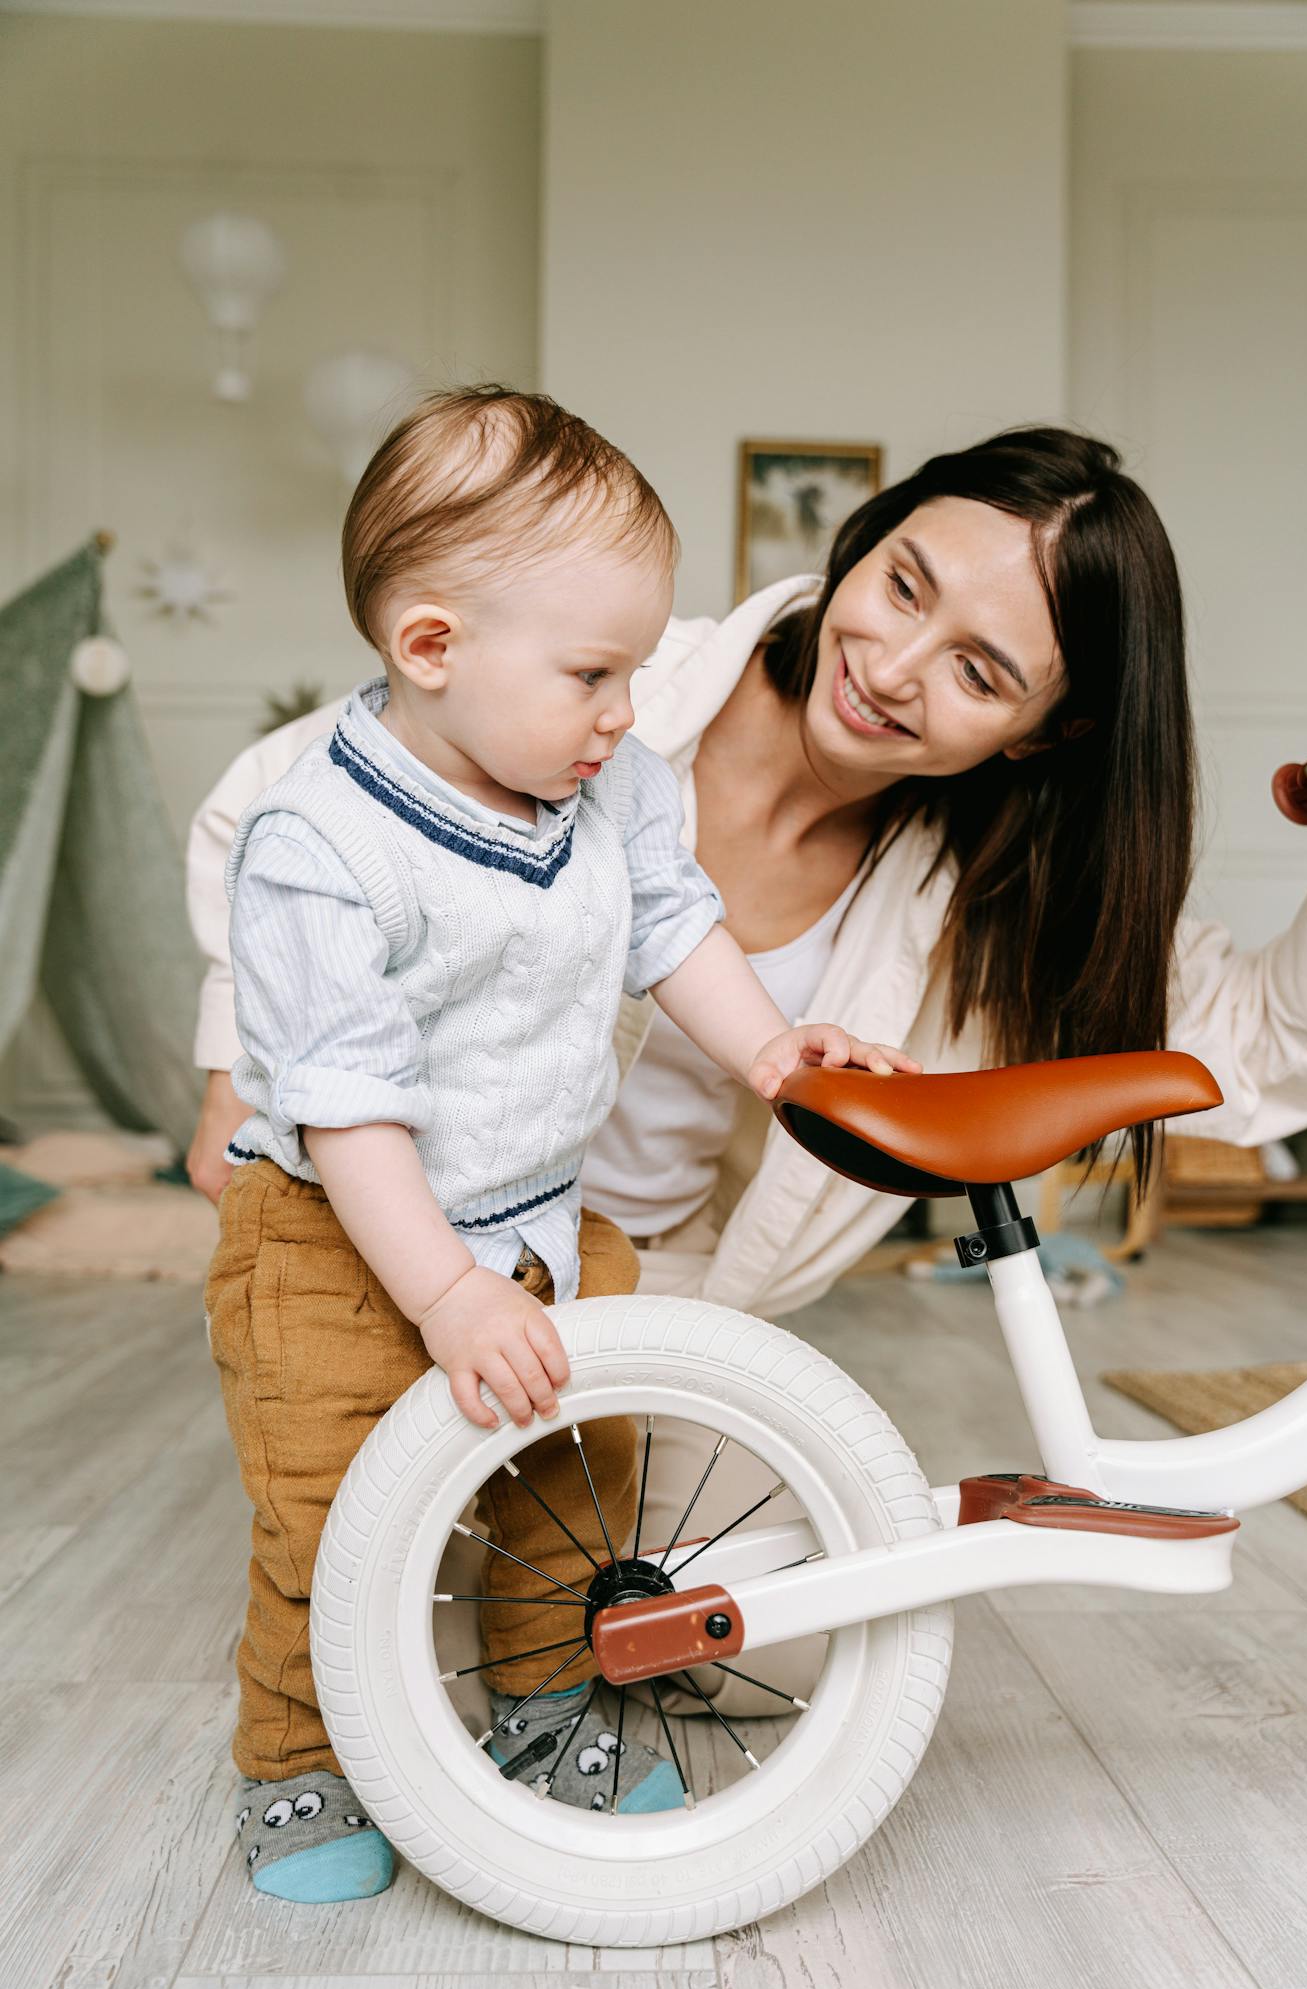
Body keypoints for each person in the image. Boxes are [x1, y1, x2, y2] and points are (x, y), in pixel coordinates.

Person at [205, 386, 914, 1906]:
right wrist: (443, 1294)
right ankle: (299, 1760)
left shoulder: (613, 789)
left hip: (539, 1217)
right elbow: (349, 1108)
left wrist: (772, 1050)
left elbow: (678, 928)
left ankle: (538, 1711)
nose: (622, 710)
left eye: (637, 671)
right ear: (432, 650)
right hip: (336, 1235)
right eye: (592, 672)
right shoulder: (321, 848)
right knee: (332, 1516)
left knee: (566, 1485)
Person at [190, 427, 1307, 1324]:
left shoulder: (996, 905)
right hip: (395, 1263)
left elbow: (1269, 1041)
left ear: (1044, 733)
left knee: (734, 1637)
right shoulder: (611, 695)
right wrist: (243, 1068)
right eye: (904, 584)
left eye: (978, 671)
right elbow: (280, 800)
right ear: (866, 534)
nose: (892, 668)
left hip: (654, 1307)